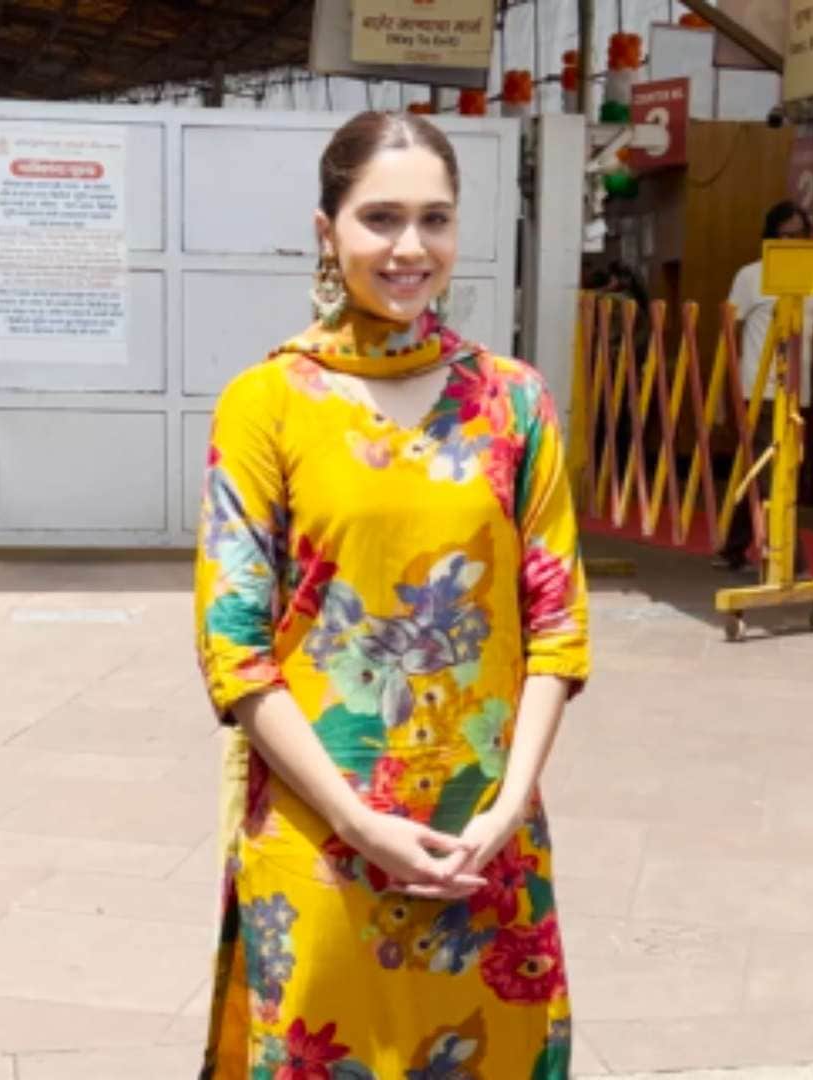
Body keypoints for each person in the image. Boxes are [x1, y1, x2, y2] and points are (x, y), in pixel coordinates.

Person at [193, 111, 590, 1077]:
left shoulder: (513, 401)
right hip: (322, 838)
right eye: (380, 218)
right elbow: (234, 648)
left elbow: (558, 625)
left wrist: (503, 811)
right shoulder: (269, 401)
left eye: (436, 219)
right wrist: (361, 822)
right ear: (326, 231)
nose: (411, 248)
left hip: (481, 840)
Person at [715, 201, 813, 571]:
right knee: (776, 473)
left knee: (758, 472)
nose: (791, 242)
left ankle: (734, 546)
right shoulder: (750, 276)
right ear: (769, 237)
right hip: (757, 392)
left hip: (796, 394)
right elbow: (731, 335)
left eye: (799, 235)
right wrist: (725, 398)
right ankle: (788, 557)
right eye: (784, 235)